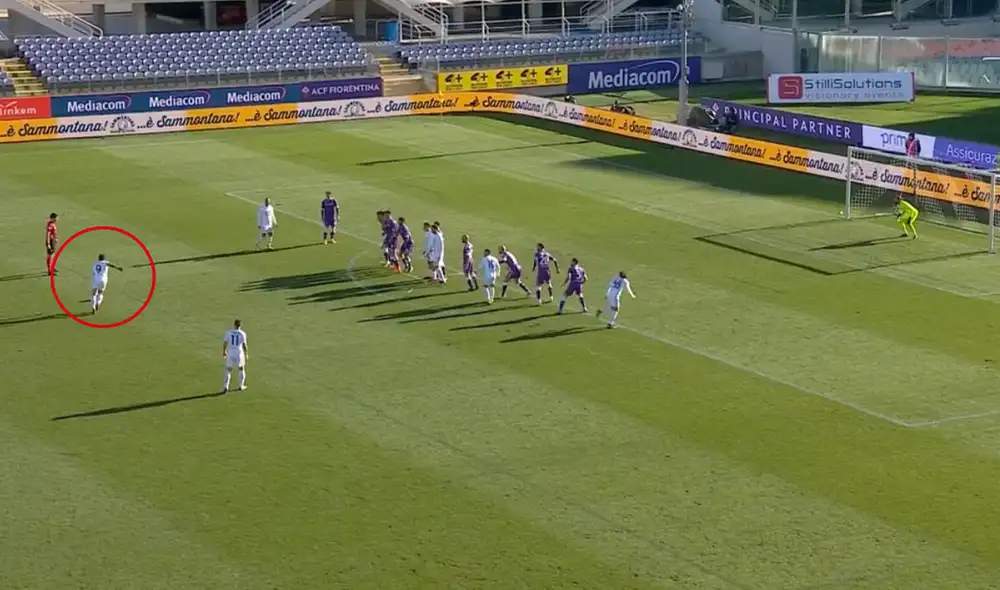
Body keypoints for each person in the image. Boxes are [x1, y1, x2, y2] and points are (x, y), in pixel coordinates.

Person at [222, 319, 248, 393]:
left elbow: (225, 343)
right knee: (241, 369)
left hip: (230, 352)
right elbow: (244, 345)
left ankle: (225, 387)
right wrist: (246, 354)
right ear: (240, 325)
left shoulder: (229, 332)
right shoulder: (242, 333)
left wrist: (224, 351)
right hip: (239, 353)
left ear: (234, 324)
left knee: (228, 370)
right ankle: (241, 386)